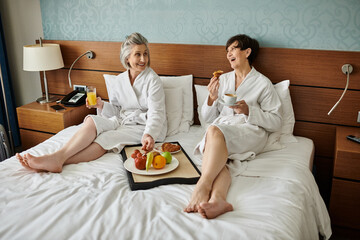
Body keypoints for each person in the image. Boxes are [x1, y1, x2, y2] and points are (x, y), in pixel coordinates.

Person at [16, 32, 167, 173]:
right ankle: (57, 157)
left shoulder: (153, 80)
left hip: (145, 126)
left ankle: (58, 160)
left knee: (106, 138)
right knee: (91, 121)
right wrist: (101, 105)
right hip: (123, 120)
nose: (143, 59)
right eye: (138, 54)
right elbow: (117, 109)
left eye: (145, 54)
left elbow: (156, 112)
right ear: (127, 58)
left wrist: (149, 135)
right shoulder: (120, 80)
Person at [184, 34, 282, 219]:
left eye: (233, 49)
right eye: (227, 50)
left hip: (250, 131)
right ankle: (218, 200)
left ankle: (203, 185)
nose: (228, 53)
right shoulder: (224, 80)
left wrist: (249, 111)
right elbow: (207, 117)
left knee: (213, 132)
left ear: (247, 52)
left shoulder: (263, 83)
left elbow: (276, 121)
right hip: (224, 129)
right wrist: (212, 99)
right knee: (220, 159)